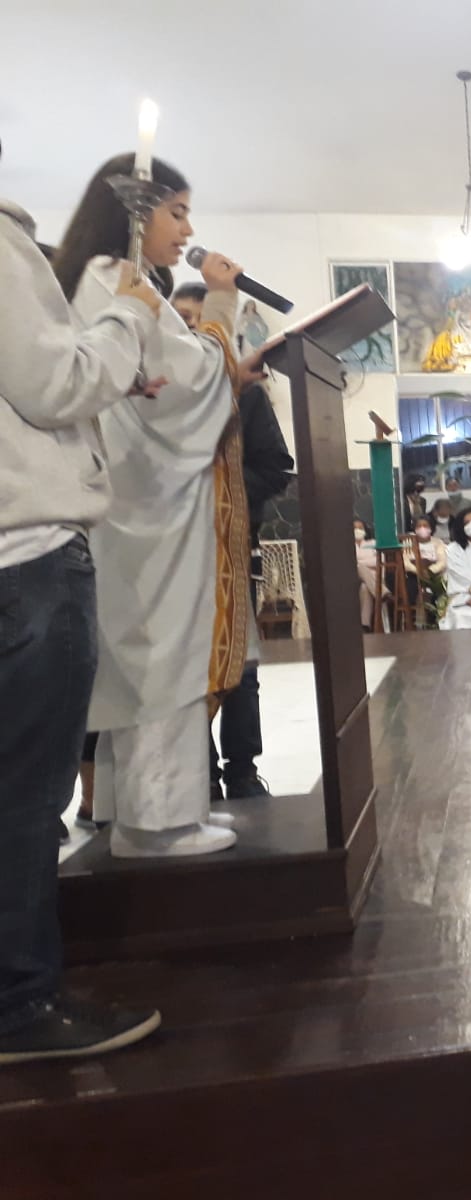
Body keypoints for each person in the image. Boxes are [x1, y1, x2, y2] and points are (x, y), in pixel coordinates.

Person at [0, 154, 166, 1061]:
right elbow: (53, 385)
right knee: (26, 797)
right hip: (24, 554)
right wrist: (130, 318)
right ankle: (20, 1003)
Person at [57, 153, 254, 859]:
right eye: (177, 211)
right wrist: (222, 308)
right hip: (151, 502)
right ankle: (159, 826)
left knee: (145, 657)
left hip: (138, 495)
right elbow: (187, 382)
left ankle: (135, 812)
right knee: (162, 654)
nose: (188, 229)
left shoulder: (100, 279)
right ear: (135, 211)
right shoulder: (118, 279)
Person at [173, 284, 292, 802]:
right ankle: (199, 773)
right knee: (185, 664)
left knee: (239, 662)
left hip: (230, 545)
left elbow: (276, 467)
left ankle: (242, 770)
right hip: (172, 550)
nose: (190, 328)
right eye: (181, 319)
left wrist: (223, 493)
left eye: (200, 319)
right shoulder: (165, 392)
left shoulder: (247, 395)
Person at [403, 514, 449, 624]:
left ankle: (434, 618)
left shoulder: (438, 542)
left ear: (431, 528)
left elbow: (442, 562)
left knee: (439, 588)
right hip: (414, 575)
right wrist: (419, 571)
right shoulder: (409, 542)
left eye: (425, 526)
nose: (422, 528)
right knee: (410, 586)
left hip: (433, 575)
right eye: (419, 526)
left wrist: (429, 571)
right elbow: (405, 562)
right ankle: (412, 620)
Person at [354, 518, 381, 631]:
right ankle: (382, 593)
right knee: (359, 567)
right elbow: (350, 563)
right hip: (355, 578)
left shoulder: (373, 543)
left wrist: (359, 562)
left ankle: (365, 625)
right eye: (355, 528)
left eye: (360, 528)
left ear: (365, 530)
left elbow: (379, 561)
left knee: (365, 588)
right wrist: (364, 564)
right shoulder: (346, 545)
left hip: (374, 577)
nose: (357, 530)